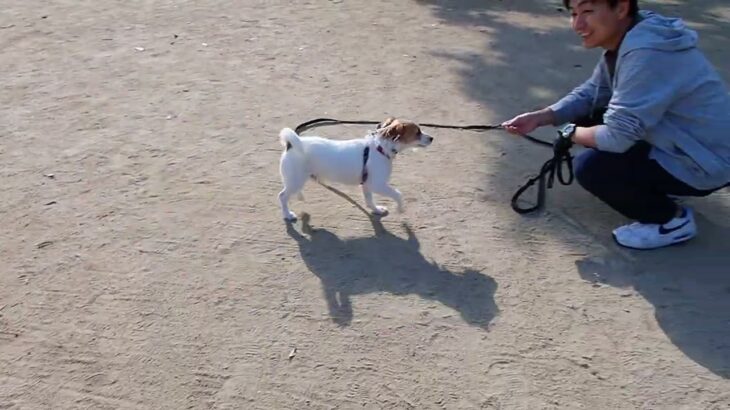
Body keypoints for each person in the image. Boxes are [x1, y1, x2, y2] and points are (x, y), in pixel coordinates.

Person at [501, 0, 730, 250]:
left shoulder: (647, 53)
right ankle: (659, 182)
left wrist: (569, 132)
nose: (578, 24)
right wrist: (542, 116)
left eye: (588, 11)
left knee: (593, 169)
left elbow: (616, 138)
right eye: (574, 13)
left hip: (708, 162)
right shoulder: (634, 34)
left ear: (621, 8)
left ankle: (671, 221)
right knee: (591, 115)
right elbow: (593, 93)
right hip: (699, 145)